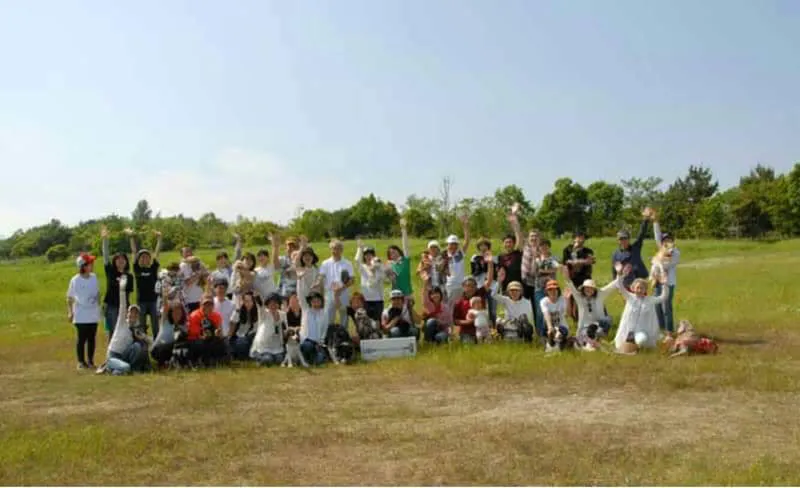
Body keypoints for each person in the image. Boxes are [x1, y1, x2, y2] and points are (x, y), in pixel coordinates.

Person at [612, 263, 669, 353]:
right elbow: (619, 285)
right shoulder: (629, 297)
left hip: (641, 331)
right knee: (620, 345)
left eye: (642, 288)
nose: (639, 290)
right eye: (637, 288)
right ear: (633, 288)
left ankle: (637, 348)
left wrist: (664, 284)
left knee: (642, 340)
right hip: (627, 330)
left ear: (645, 290)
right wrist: (619, 274)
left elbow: (663, 297)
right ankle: (629, 347)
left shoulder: (650, 300)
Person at [101, 275, 151, 375]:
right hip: (113, 355)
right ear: (127, 313)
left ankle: (119, 370)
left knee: (137, 346)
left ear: (138, 316)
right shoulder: (122, 322)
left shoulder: (137, 329)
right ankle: (110, 367)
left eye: (136, 313)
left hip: (123, 356)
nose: (133, 315)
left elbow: (151, 342)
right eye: (131, 312)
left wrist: (143, 337)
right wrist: (122, 290)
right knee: (126, 367)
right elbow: (122, 305)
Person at [559, 266, 616, 351]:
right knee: (586, 334)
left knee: (607, 320)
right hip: (585, 327)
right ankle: (591, 343)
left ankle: (594, 339)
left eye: (591, 288)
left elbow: (612, 286)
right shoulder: (579, 298)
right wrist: (567, 277)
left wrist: (620, 275)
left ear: (594, 289)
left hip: (598, 324)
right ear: (583, 289)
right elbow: (571, 286)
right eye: (586, 288)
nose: (589, 290)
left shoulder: (599, 295)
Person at [67, 253, 101, 370]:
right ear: (83, 266)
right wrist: (70, 312)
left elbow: (97, 293)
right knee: (81, 339)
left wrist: (98, 304)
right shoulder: (75, 280)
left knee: (92, 338)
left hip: (93, 314)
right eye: (90, 263)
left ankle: (91, 361)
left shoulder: (94, 277)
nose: (92, 265)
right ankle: (81, 362)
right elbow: (70, 297)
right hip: (81, 314)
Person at [127, 229, 163, 339]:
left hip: (153, 300)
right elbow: (134, 251)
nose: (144, 258)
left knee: (155, 323)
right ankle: (143, 342)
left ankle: (156, 342)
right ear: (139, 259)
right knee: (141, 324)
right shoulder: (137, 269)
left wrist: (159, 239)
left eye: (146, 257)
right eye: (142, 257)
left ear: (149, 259)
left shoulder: (153, 268)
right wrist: (131, 237)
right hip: (141, 301)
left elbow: (157, 253)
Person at [100, 226, 134, 342]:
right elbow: (105, 256)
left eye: (123, 259)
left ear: (126, 261)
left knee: (125, 330)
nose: (120, 261)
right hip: (111, 307)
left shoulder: (129, 276)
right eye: (118, 259)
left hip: (124, 307)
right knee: (113, 332)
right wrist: (105, 239)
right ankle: (112, 352)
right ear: (114, 261)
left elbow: (128, 293)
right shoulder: (110, 271)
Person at [452, 259, 494, 344]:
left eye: (473, 286)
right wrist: (467, 322)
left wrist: (490, 263)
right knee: (469, 344)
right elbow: (455, 320)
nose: (470, 288)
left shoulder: (480, 294)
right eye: (467, 286)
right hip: (467, 331)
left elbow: (489, 281)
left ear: (476, 287)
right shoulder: (459, 302)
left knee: (487, 345)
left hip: (483, 330)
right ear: (463, 287)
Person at [653, 211, 681, 338]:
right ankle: (661, 329)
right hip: (657, 282)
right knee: (657, 305)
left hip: (668, 283)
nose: (666, 242)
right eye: (664, 240)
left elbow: (666, 265)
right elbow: (657, 235)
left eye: (669, 240)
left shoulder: (676, 253)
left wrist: (656, 261)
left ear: (673, 241)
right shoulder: (661, 250)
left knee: (666, 306)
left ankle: (669, 331)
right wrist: (655, 221)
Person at [611, 208, 652, 289]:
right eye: (621, 239)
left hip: (640, 280)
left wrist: (645, 220)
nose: (623, 240)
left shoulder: (636, 247)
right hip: (626, 282)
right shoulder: (616, 254)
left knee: (641, 297)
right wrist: (615, 284)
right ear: (618, 240)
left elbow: (641, 234)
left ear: (629, 239)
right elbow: (614, 270)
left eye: (625, 238)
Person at [319, 239, 354, 328]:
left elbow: (351, 280)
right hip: (329, 294)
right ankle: (328, 335)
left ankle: (344, 335)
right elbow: (321, 278)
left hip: (344, 293)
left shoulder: (347, 263)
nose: (335, 251)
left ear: (341, 250)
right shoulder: (325, 263)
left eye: (338, 248)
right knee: (328, 319)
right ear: (330, 249)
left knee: (344, 318)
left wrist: (340, 288)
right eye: (333, 248)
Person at [492, 269, 534, 343]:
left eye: (516, 290)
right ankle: (504, 337)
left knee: (527, 326)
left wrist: (517, 321)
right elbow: (493, 295)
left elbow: (527, 317)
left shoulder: (526, 302)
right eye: (511, 290)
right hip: (509, 324)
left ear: (521, 291)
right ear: (508, 292)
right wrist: (499, 282)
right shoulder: (506, 300)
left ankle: (526, 341)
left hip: (520, 325)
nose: (514, 292)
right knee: (498, 321)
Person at [561, 230, 595, 322]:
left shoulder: (588, 251)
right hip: (572, 279)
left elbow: (590, 261)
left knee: (585, 299)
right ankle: (575, 320)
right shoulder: (567, 250)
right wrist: (580, 261)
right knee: (571, 299)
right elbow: (565, 263)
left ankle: (588, 319)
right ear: (574, 239)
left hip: (585, 279)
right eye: (579, 237)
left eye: (582, 238)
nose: (581, 240)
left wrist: (575, 262)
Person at [186, 295, 227, 367]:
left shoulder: (217, 316)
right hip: (196, 340)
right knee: (202, 343)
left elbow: (220, 333)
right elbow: (194, 334)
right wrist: (204, 336)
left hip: (210, 339)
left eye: (210, 305)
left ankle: (219, 360)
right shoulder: (194, 316)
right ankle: (200, 361)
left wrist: (218, 333)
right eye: (205, 304)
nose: (208, 307)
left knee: (223, 341)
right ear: (200, 304)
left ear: (213, 306)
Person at [250, 292, 288, 366]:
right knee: (268, 360)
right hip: (264, 345)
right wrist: (257, 297)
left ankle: (271, 356)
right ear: (267, 304)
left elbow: (285, 328)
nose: (273, 305)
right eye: (271, 303)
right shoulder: (264, 313)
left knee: (279, 360)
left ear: (278, 304)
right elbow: (260, 306)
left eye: (275, 303)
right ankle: (257, 355)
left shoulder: (283, 314)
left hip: (277, 346)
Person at [443, 214, 471, 311]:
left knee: (461, 307)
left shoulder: (460, 254)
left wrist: (465, 225)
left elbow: (467, 240)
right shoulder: (444, 256)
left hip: (461, 285)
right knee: (450, 308)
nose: (453, 246)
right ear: (448, 245)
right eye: (451, 244)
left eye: (455, 244)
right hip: (449, 286)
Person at [532, 239, 559, 336]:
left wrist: (542, 270)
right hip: (539, 288)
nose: (544, 248)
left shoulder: (554, 258)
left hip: (552, 288)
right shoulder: (536, 259)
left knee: (552, 310)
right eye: (541, 246)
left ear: (549, 247)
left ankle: (553, 331)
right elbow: (534, 272)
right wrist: (548, 271)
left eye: (546, 246)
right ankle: (540, 334)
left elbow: (555, 269)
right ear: (539, 248)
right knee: (540, 311)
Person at [355, 238, 386, 321]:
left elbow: (383, 278)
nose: (368, 256)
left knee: (377, 321)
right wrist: (359, 248)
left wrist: (376, 268)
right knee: (366, 321)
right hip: (365, 299)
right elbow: (357, 260)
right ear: (364, 256)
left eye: (370, 254)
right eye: (366, 255)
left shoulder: (379, 267)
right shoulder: (362, 267)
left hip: (378, 300)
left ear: (374, 256)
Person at [151, 295, 185, 369]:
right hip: (157, 349)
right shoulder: (166, 322)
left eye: (179, 313)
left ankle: (173, 363)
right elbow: (165, 307)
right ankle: (161, 364)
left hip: (169, 348)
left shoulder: (181, 326)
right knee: (172, 345)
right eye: (175, 312)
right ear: (171, 313)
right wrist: (165, 296)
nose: (177, 315)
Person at [470, 237, 498, 326]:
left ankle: (493, 328)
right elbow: (473, 272)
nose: (483, 247)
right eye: (481, 245)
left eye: (485, 245)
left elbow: (496, 273)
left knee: (492, 309)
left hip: (492, 286)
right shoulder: (474, 258)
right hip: (479, 286)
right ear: (478, 247)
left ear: (488, 246)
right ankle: (482, 326)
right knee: (480, 308)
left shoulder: (494, 258)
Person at [499, 203, 525, 295]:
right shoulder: (500, 257)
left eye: (510, 242)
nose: (508, 244)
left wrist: (515, 220)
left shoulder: (517, 252)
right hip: (506, 287)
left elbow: (518, 235)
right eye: (506, 242)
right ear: (503, 244)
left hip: (519, 285)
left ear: (514, 243)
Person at [387, 218, 414, 305]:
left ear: (399, 251)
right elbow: (386, 279)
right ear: (389, 256)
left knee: (409, 313)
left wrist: (403, 230)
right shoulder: (389, 265)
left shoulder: (405, 260)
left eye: (394, 251)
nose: (393, 253)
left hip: (407, 294)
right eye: (391, 253)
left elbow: (405, 245)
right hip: (395, 295)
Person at [209, 233, 243, 299]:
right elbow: (213, 288)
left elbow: (238, 254)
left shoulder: (232, 268)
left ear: (227, 259)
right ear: (217, 261)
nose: (223, 261)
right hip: (222, 297)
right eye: (220, 259)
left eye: (225, 258)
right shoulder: (214, 273)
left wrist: (238, 240)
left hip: (234, 295)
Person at [229, 291, 259, 360]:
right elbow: (232, 324)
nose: (248, 303)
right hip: (240, 337)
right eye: (246, 301)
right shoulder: (238, 311)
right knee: (241, 344)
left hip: (251, 337)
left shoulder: (258, 312)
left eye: (250, 301)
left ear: (253, 302)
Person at [540, 279, 569, 346]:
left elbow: (567, 314)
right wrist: (550, 327)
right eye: (550, 290)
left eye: (555, 289)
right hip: (548, 326)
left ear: (558, 290)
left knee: (563, 337)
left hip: (561, 326)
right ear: (547, 291)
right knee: (545, 343)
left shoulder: (562, 299)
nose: (552, 292)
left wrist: (568, 300)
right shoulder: (543, 301)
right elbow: (546, 314)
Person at [253, 233, 281, 302]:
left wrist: (275, 245)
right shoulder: (255, 270)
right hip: (261, 300)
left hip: (272, 298)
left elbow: (275, 256)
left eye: (263, 255)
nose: (261, 257)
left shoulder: (271, 267)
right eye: (259, 256)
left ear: (268, 258)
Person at [180, 248, 209, 313]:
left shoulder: (198, 263)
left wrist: (203, 270)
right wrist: (199, 273)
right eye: (186, 252)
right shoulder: (183, 265)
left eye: (190, 251)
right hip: (189, 300)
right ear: (182, 254)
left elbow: (207, 275)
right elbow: (188, 282)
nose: (189, 253)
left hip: (200, 298)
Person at [277, 237, 300, 303]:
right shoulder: (282, 259)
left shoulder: (301, 260)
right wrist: (275, 247)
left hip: (297, 292)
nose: (290, 249)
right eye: (289, 246)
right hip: (284, 293)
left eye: (293, 247)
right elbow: (276, 265)